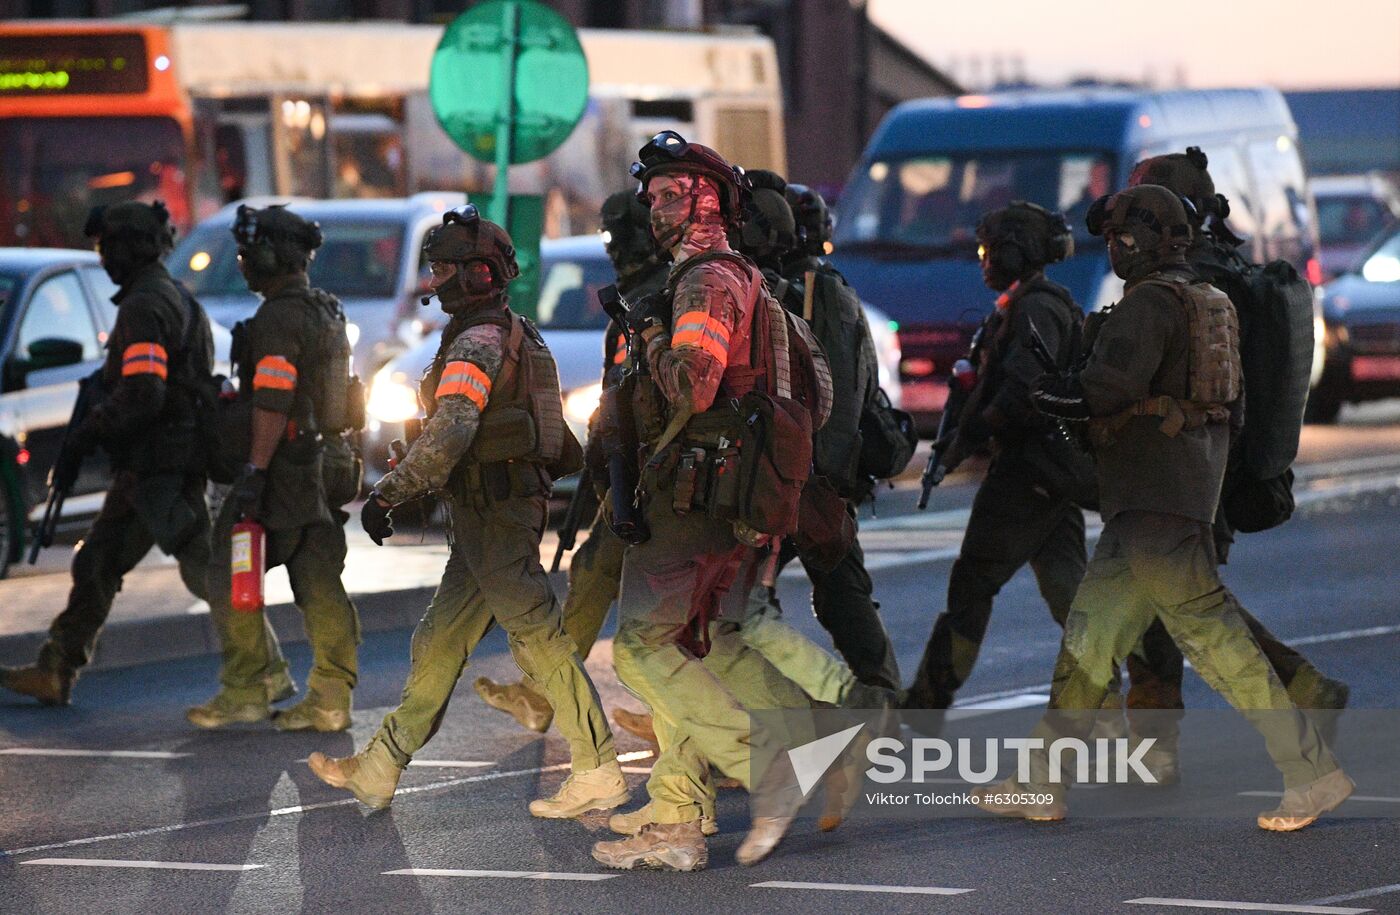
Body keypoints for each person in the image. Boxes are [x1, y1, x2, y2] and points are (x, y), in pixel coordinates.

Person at [974, 185, 1352, 831]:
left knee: (1214, 639)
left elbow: (1109, 387)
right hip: (1167, 494)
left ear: (1137, 239)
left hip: (1156, 500)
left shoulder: (1151, 303)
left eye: (1119, 237)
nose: (1115, 248)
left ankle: (1311, 771)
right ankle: (1040, 781)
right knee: (1089, 642)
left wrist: (1056, 394)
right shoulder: (1207, 299)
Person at [307, 206, 628, 819]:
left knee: (538, 641)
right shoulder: (510, 331)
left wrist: (388, 494)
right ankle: (380, 766)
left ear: (478, 275)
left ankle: (597, 767)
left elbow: (450, 431)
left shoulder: (477, 343)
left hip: (495, 513)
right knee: (439, 639)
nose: (435, 281)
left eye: (444, 269)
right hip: (493, 512)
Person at [589, 132, 818, 872]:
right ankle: (683, 818)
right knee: (692, 641)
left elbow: (693, 384)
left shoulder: (707, 280)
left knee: (641, 646)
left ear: (703, 200)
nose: (652, 209)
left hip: (700, 488)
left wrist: (651, 333)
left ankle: (769, 768)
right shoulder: (717, 273)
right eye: (650, 195)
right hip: (706, 486)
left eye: (666, 195)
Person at [1120, 149, 1349, 725]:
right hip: (1207, 466)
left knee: (1185, 605)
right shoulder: (1222, 267)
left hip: (1193, 470)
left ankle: (1303, 697)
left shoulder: (1190, 281)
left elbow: (1175, 380)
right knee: (1164, 604)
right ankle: (1157, 738)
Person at [473, 190, 671, 740]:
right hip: (629, 467)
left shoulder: (661, 295)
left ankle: (693, 723)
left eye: (623, 235)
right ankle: (545, 694)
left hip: (659, 469)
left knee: (672, 606)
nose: (618, 248)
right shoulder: (631, 300)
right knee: (596, 571)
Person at [1, 202, 214, 706]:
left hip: (159, 466)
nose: (102, 259)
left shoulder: (144, 306)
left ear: (130, 248)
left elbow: (144, 392)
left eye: (106, 248)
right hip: (159, 462)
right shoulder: (170, 296)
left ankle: (261, 668)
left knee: (204, 569)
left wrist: (87, 434)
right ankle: (56, 668)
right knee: (97, 561)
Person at [903, 202, 1087, 715]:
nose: (982, 260)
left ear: (1014, 251)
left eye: (988, 250)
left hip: (1028, 471)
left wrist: (979, 429)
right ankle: (1099, 695)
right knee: (1073, 598)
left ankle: (926, 701)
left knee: (972, 586)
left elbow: (1024, 392)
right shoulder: (1028, 305)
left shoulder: (1035, 310)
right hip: (1049, 474)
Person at [186, 204, 361, 732]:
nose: (242, 262)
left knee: (228, 568)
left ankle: (247, 690)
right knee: (318, 579)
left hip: (286, 467)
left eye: (248, 252)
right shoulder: (326, 308)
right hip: (329, 460)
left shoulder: (278, 318)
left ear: (271, 255)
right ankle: (332, 697)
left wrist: (255, 470)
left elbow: (273, 399)